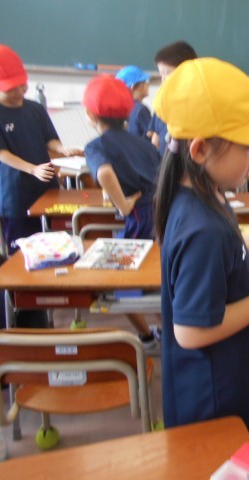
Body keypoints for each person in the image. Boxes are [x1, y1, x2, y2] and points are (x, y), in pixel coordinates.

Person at [153, 57, 249, 430]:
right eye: (247, 148)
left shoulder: (203, 195)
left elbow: (212, 252)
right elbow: (190, 332)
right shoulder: (202, 229)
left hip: (215, 377)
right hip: (209, 398)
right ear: (200, 150)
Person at [83, 74, 162, 353]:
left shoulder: (96, 146)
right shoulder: (143, 144)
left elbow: (104, 172)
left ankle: (147, 338)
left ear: (91, 116)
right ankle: (166, 331)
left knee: (121, 282)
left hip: (138, 216)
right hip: (159, 212)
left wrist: (122, 204)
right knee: (152, 274)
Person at [0, 45, 82, 255]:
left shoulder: (35, 109)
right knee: (22, 252)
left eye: (22, 86)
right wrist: (32, 169)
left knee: (54, 246)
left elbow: (49, 139)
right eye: (11, 89)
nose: (19, 92)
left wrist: (62, 149)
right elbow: (2, 154)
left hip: (46, 188)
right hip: (15, 195)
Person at [147, 41, 197, 157]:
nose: (163, 79)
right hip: (164, 163)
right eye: (161, 74)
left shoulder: (198, 104)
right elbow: (155, 139)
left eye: (167, 72)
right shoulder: (162, 103)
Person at [115, 65, 151, 139]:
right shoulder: (141, 110)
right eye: (145, 82)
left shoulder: (120, 107)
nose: (147, 84)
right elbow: (152, 135)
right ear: (133, 86)